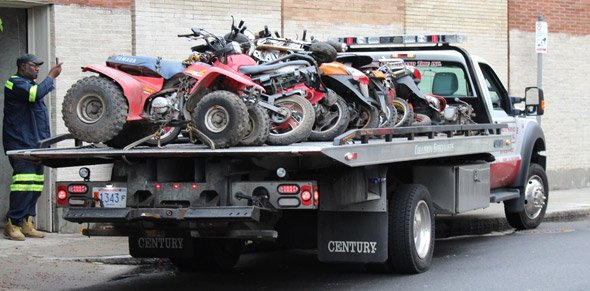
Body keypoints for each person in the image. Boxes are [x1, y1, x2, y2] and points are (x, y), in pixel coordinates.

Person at [3, 54, 62, 240]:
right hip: (21, 143)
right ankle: (12, 223)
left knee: (36, 184)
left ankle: (27, 222)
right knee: (23, 184)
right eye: (34, 65)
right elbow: (34, 95)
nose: (37, 68)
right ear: (22, 67)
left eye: (38, 66)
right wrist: (51, 76)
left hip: (36, 143)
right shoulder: (14, 83)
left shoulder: (30, 85)